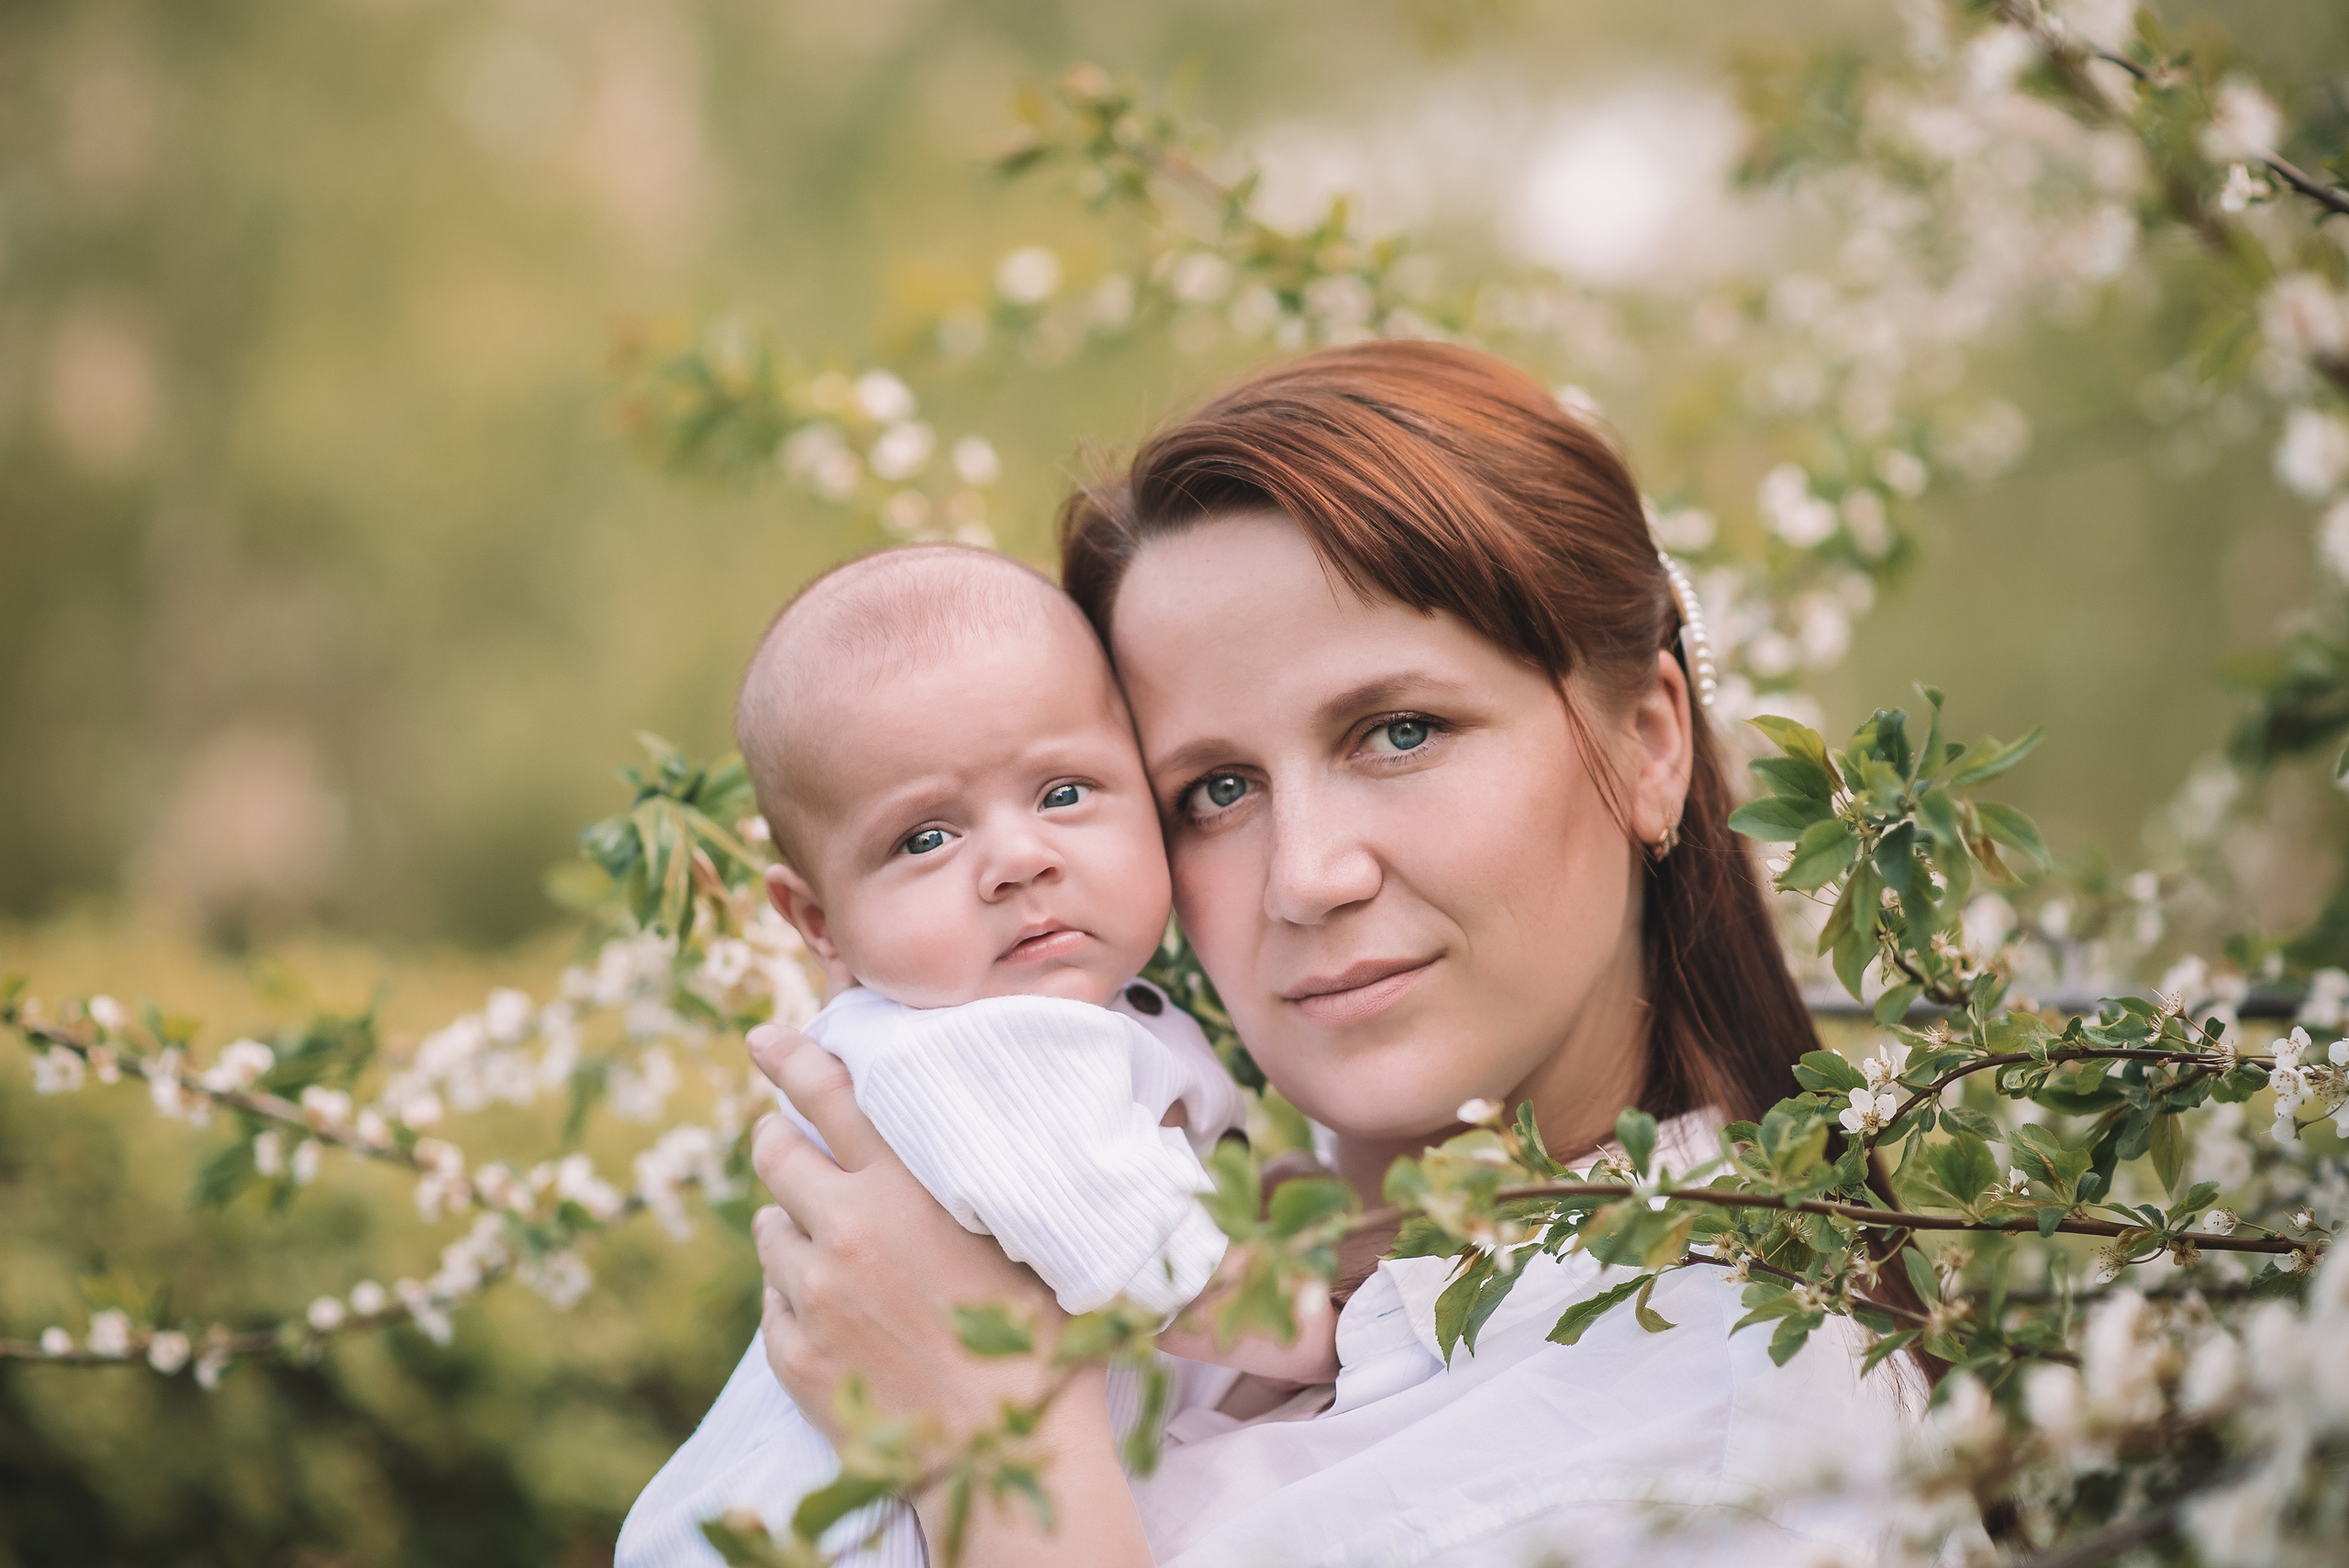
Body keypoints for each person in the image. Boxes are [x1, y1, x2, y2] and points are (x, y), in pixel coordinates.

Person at [662, 339, 1915, 1565]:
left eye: (1401, 731)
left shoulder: (1734, 1449)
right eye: (1212, 790)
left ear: (1647, 744)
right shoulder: (1181, 1200)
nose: (1310, 874)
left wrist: (989, 1428)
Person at [615, 546, 1339, 1567]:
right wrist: (1338, 1328)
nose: (1017, 859)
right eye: (924, 838)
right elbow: (1159, 1270)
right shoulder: (971, 1046)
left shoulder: (1060, 1015)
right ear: (818, 919)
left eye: (1063, 791)